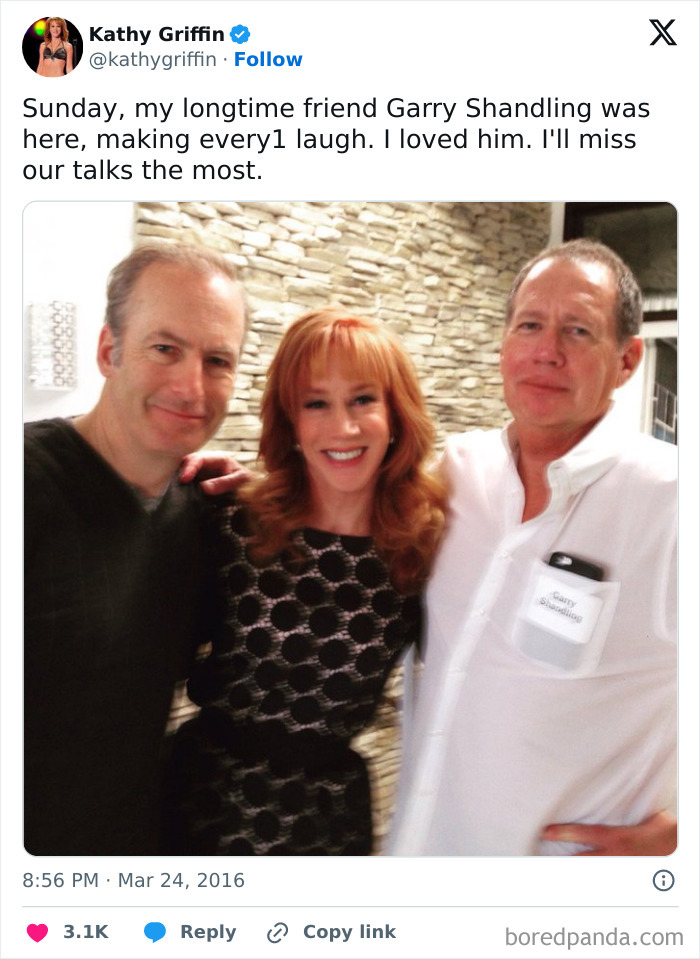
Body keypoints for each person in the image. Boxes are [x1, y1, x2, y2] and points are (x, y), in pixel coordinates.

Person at [387, 239, 677, 856]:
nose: (547, 352)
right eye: (530, 326)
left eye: (578, 330)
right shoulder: (457, 473)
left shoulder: (670, 499)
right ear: (504, 343)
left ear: (627, 360)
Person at [165, 309, 447, 855]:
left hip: (325, 822)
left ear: (396, 416)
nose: (342, 427)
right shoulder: (234, 523)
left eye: (363, 399)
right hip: (202, 802)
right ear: (291, 423)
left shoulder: (420, 552)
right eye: (316, 403)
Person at [24, 244, 248, 854]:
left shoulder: (206, 516)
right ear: (108, 351)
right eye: (164, 348)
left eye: (217, 360)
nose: (191, 386)